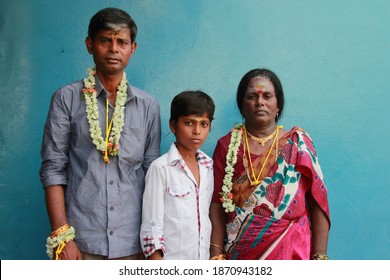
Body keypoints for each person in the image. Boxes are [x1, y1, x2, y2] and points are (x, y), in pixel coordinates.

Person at [39, 7, 161, 260]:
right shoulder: (66, 99)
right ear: (90, 44)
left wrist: (153, 244)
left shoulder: (148, 105)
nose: (113, 48)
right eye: (105, 40)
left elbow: (152, 175)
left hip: (134, 242)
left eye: (121, 42)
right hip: (81, 242)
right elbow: (53, 168)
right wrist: (63, 237)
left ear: (132, 48)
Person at [209, 68, 330, 260]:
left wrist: (320, 256)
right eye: (252, 97)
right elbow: (216, 203)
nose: (260, 103)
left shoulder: (299, 144)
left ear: (278, 104)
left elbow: (318, 202)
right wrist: (216, 255)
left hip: (293, 252)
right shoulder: (226, 145)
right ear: (242, 105)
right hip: (240, 253)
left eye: (267, 96)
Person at [140, 90, 215, 260]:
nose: (197, 131)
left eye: (204, 124)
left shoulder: (208, 167)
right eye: (189, 123)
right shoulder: (161, 168)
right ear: (173, 125)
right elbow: (152, 225)